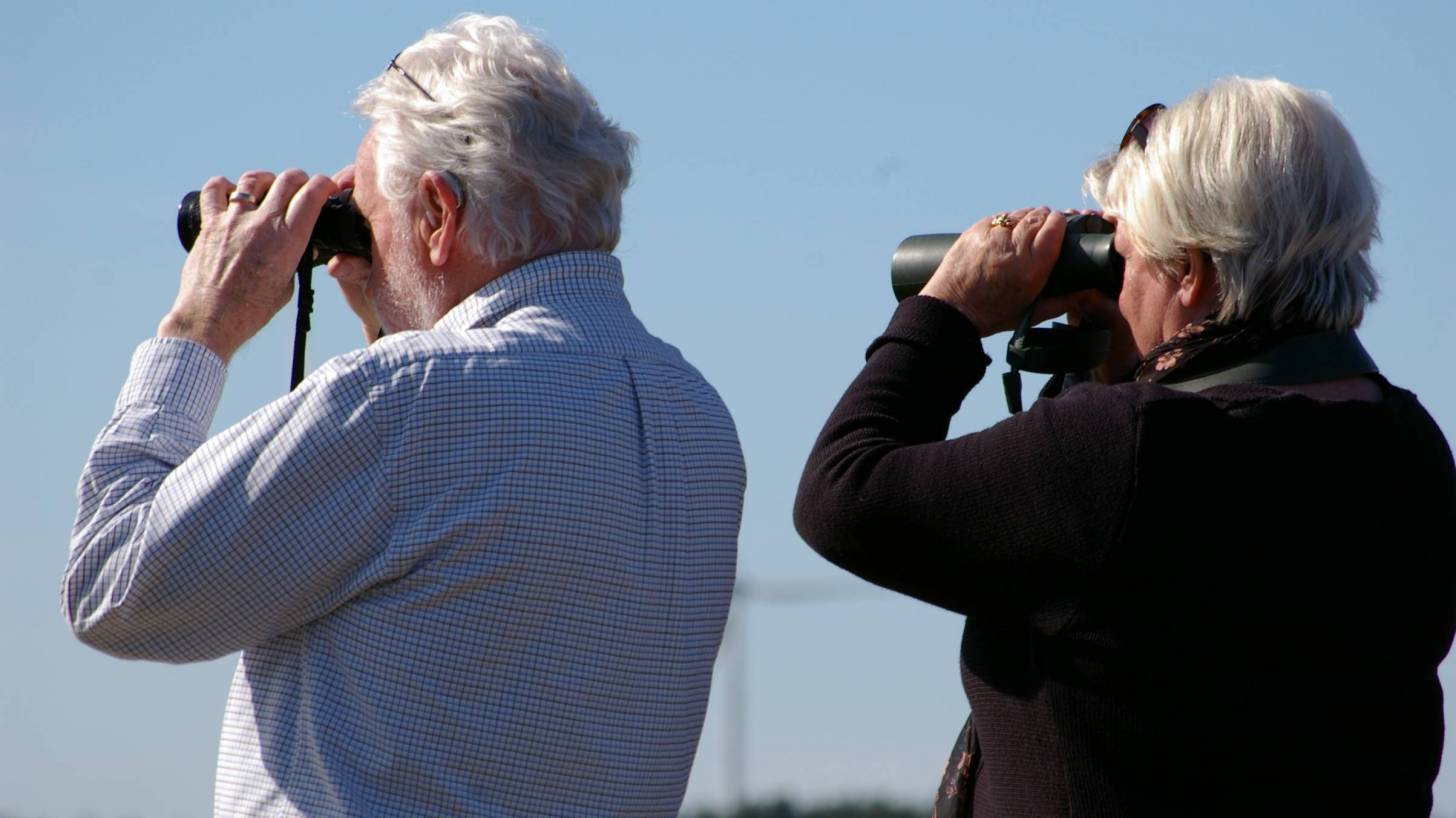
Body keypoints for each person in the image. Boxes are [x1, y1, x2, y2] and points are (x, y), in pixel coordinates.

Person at [65, 14, 745, 817]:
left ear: (437, 214)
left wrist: (200, 327)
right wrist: (392, 319)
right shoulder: (697, 419)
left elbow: (115, 586)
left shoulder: (410, 396)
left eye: (368, 213)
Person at [794, 77, 1456, 817]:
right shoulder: (1411, 450)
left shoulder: (1131, 453)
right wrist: (1106, 359)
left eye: (1126, 256)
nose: (1114, 281)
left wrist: (944, 315)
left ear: (1194, 272)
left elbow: (843, 495)